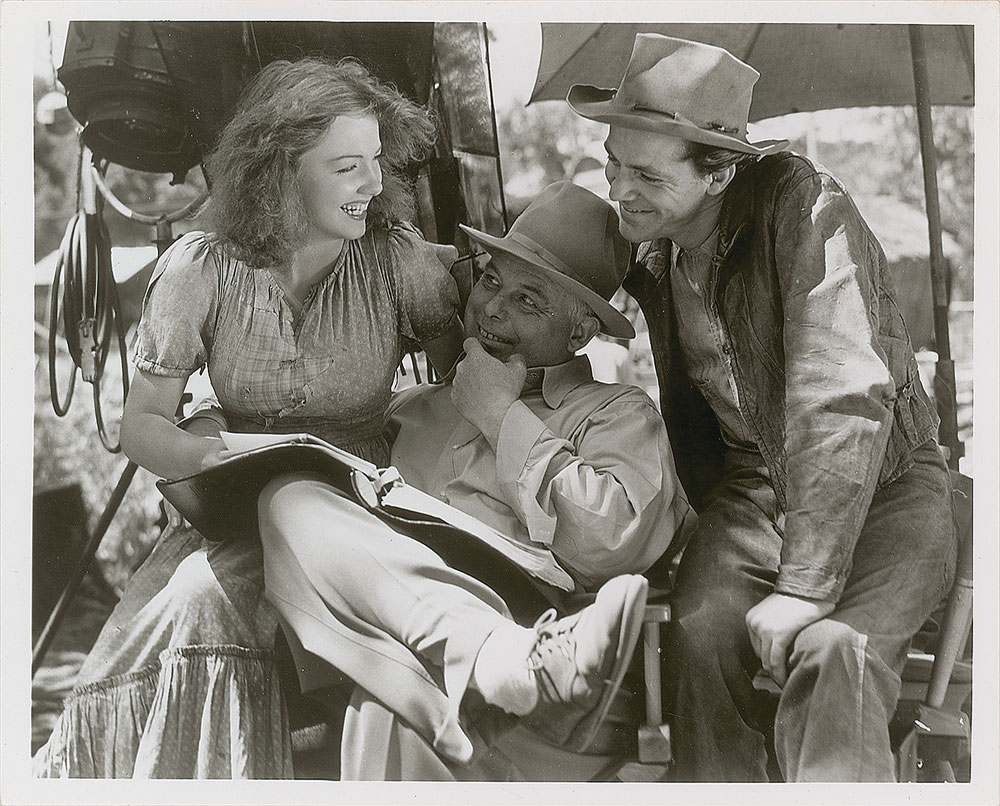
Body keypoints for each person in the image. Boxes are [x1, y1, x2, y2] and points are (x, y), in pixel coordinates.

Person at [35, 56, 466, 778]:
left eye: (376, 160)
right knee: (197, 599)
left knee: (217, 601)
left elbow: (465, 385)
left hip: (363, 508)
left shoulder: (400, 262)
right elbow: (142, 425)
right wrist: (207, 456)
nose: (374, 183)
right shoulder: (201, 267)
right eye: (347, 167)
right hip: (237, 501)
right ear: (281, 172)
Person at [567, 33, 958, 781]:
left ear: (718, 174)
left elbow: (840, 392)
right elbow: (547, 276)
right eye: (614, 164)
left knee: (835, 652)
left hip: (885, 486)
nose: (620, 190)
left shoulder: (802, 205)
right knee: (699, 634)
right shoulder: (652, 242)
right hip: (751, 496)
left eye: (646, 174)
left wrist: (804, 589)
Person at [256, 180, 695, 780]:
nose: (492, 309)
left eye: (527, 301)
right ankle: (487, 655)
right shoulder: (413, 406)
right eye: (490, 281)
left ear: (579, 333)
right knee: (290, 496)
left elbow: (613, 541)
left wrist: (499, 415)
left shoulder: (615, 413)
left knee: (389, 703)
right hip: (395, 635)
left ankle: (496, 655)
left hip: (528, 635)